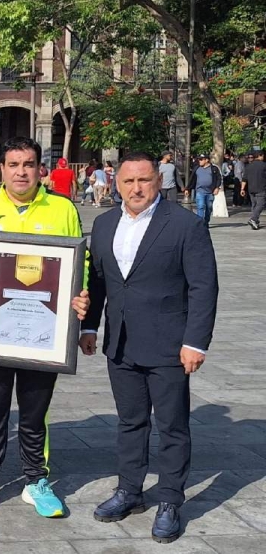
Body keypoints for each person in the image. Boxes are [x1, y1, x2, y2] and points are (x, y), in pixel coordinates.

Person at [81, 151, 218, 544]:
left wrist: (195, 342)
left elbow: (203, 288)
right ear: (116, 184)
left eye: (144, 180)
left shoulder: (184, 225)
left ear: (158, 181)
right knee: (130, 422)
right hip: (120, 344)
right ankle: (129, 490)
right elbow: (101, 282)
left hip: (169, 345)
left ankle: (171, 500)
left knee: (172, 426)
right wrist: (90, 327)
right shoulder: (105, 225)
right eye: (129, 181)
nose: (136, 188)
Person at [0, 136, 89, 519]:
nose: (21, 172)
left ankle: (35, 480)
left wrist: (82, 294)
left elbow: (82, 258)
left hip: (44, 331)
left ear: (39, 168)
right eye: (13, 164)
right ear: (2, 169)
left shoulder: (62, 209)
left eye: (28, 164)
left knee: (34, 410)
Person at [184, 154, 222, 226]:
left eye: (201, 159)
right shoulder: (197, 168)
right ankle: (200, 223)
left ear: (207, 160)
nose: (199, 161)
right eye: (199, 159)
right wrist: (187, 189)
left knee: (209, 208)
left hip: (210, 192)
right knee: (200, 206)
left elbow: (219, 179)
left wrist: (217, 188)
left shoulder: (214, 169)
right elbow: (192, 179)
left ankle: (206, 221)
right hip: (200, 191)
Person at [241, 149, 266, 230]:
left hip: (251, 188)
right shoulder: (264, 165)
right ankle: (253, 219)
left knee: (254, 205)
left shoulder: (248, 166)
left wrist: (242, 189)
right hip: (261, 188)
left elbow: (244, 179)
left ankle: (255, 222)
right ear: (260, 156)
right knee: (261, 204)